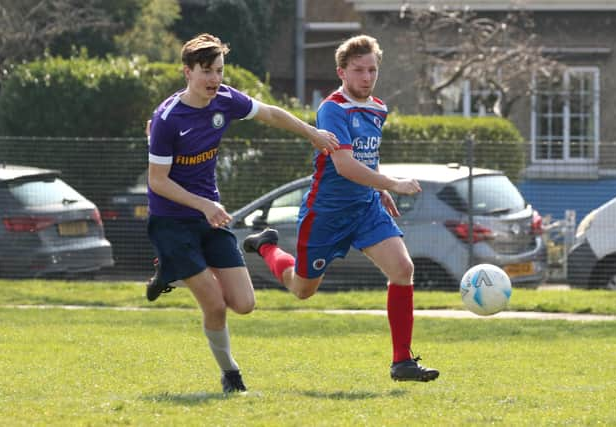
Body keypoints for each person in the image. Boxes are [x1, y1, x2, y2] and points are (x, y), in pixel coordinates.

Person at [145, 33, 339, 394]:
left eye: (218, 70)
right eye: (206, 71)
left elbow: (269, 113)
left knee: (245, 304)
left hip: (209, 218)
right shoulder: (167, 119)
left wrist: (310, 132)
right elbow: (158, 182)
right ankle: (231, 373)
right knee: (215, 306)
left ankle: (169, 271)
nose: (214, 79)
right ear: (186, 72)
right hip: (172, 222)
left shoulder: (225, 99)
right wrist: (203, 203)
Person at [243, 35, 439, 382]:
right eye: (359, 70)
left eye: (373, 70)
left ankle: (402, 362)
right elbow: (345, 165)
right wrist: (392, 184)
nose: (367, 77)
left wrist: (379, 190)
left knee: (402, 269)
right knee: (302, 289)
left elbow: (368, 157)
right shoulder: (332, 109)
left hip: (365, 209)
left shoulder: (378, 108)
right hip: (327, 214)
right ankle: (267, 246)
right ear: (342, 72)